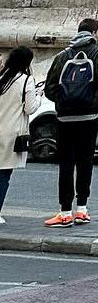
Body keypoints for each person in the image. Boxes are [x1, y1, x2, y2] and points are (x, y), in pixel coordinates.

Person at [42, 18, 98, 226]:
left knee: (66, 163)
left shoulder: (62, 56)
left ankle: (65, 212)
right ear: (94, 33)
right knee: (85, 161)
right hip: (89, 115)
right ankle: (82, 209)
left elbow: (49, 88)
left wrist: (64, 101)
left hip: (65, 117)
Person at [0, 47, 40, 224]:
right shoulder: (26, 80)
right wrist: (39, 95)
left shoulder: (2, 77)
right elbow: (30, 108)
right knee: (3, 176)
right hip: (11, 134)